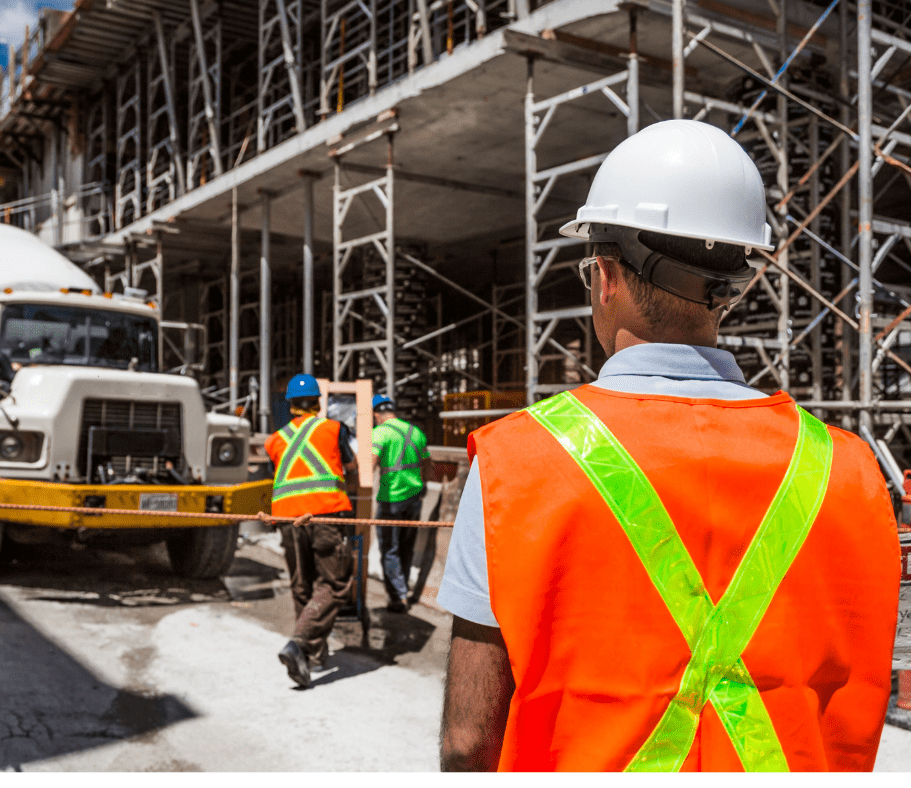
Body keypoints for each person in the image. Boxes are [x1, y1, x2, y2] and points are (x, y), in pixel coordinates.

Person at [437, 120, 900, 771]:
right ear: (734, 285)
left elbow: (468, 740)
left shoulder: (516, 465)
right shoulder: (848, 469)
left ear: (602, 277)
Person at [265, 373, 358, 689]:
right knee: (336, 584)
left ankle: (313, 657)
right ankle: (300, 643)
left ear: (290, 405)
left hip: (288, 521)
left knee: (302, 584)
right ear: (319, 403)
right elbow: (352, 466)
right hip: (323, 515)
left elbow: (277, 476)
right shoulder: (333, 429)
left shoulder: (275, 439)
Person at [371, 394, 432, 613]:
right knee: (406, 547)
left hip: (391, 499)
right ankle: (403, 589)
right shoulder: (415, 432)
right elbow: (427, 463)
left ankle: (398, 597)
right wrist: (421, 484)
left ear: (377, 414)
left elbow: (370, 463)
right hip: (414, 498)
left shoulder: (380, 432)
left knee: (390, 549)